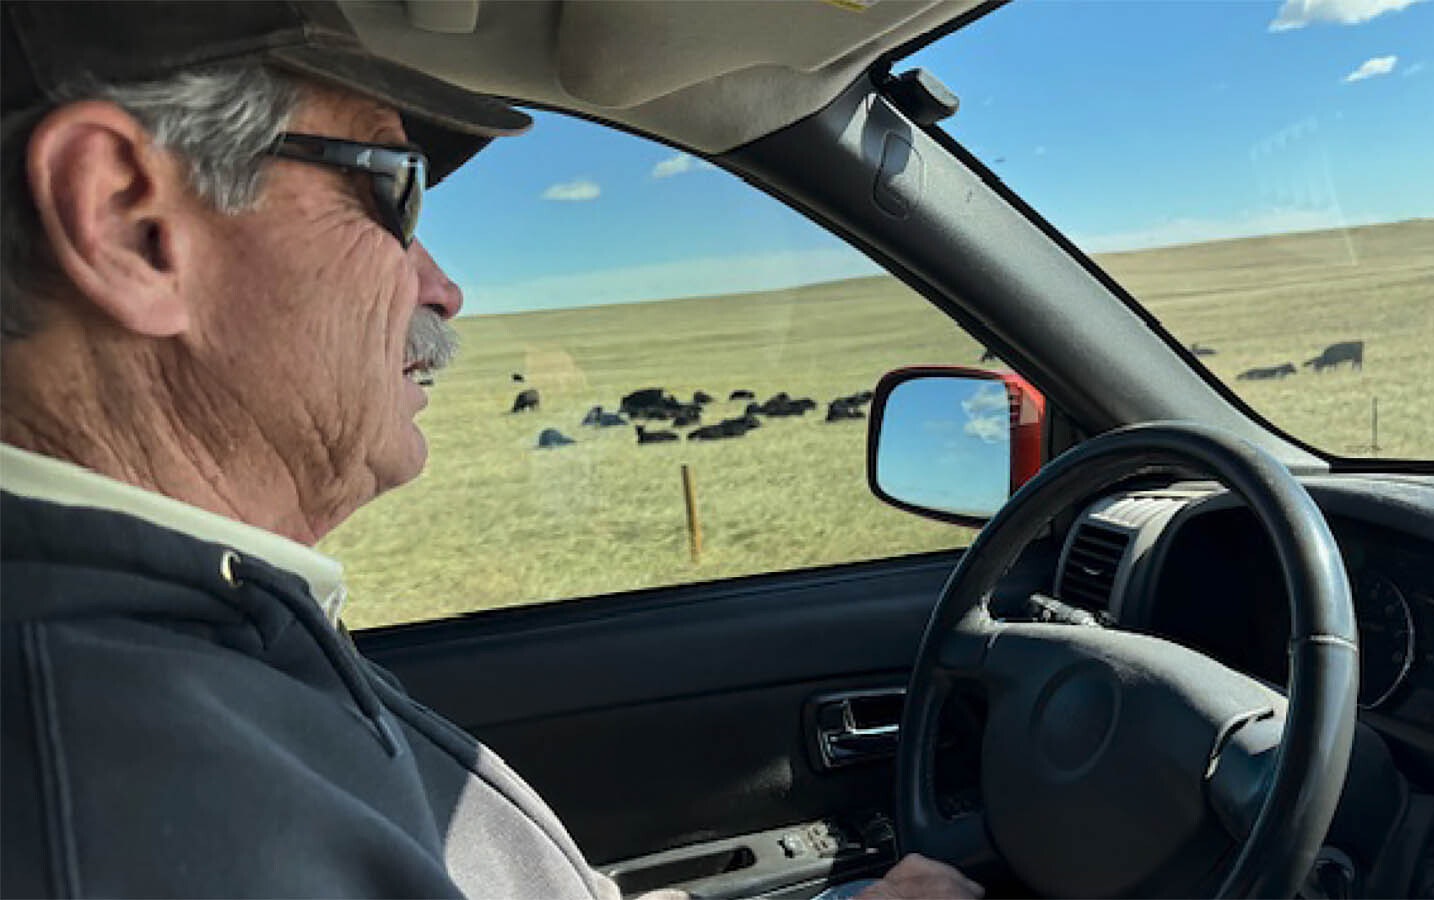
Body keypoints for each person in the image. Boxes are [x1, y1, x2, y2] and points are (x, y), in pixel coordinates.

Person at [0, 2, 984, 898]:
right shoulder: (128, 812)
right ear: (128, 223)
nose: (442, 288)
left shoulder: (198, 637)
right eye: (394, 194)